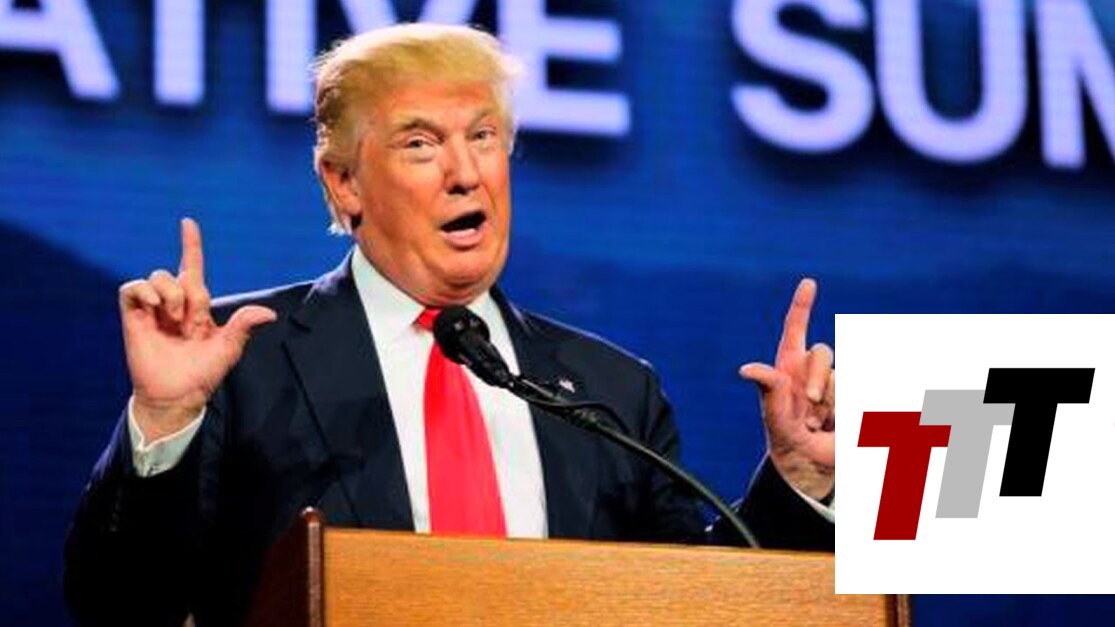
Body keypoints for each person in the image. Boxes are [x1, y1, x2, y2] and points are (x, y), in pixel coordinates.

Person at [64, 23, 835, 626]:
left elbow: (702, 604)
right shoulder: (243, 360)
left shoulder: (612, 390)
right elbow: (117, 607)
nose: (465, 173)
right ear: (343, 182)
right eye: (420, 143)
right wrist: (165, 419)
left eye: (483, 136)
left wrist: (798, 481)